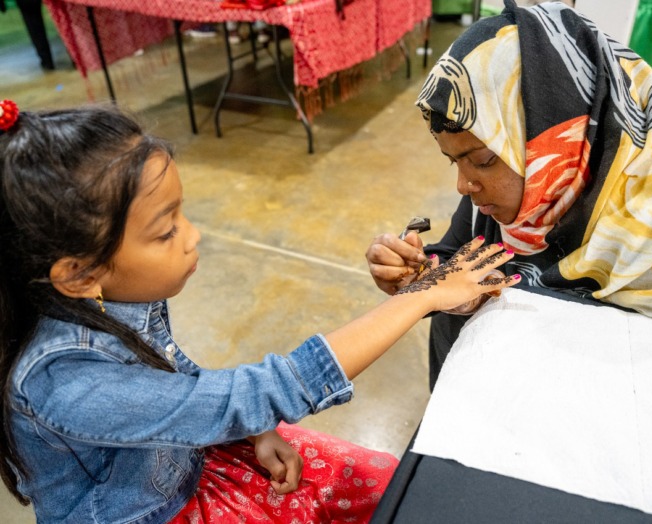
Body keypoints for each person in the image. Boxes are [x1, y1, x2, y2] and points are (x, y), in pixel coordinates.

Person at [0, 100, 520, 523]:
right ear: (79, 272)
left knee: (392, 486)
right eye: (166, 231)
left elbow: (182, 383)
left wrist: (250, 428)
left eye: (182, 215)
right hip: (155, 510)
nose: (194, 235)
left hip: (190, 459)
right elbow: (255, 391)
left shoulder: (107, 295)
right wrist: (424, 295)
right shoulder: (64, 381)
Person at [365, 0, 652, 389]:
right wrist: (420, 275)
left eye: (483, 159)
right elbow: (460, 254)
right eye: (453, 162)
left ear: (553, 135)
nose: (464, 185)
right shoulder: (526, 181)